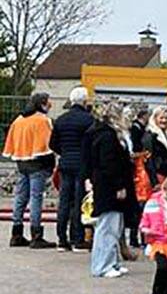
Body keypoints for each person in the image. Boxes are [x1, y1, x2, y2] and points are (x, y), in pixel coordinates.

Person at [85, 99, 134, 278]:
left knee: (115, 226)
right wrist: (119, 185)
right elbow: (109, 164)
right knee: (107, 227)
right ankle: (102, 266)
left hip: (107, 185)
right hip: (109, 187)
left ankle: (112, 262)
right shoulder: (108, 137)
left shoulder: (103, 134)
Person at [4, 92, 57, 249]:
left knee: (20, 197)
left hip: (22, 163)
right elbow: (49, 145)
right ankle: (36, 234)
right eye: (48, 102)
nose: (50, 105)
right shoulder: (42, 121)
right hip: (38, 165)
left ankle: (16, 233)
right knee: (36, 198)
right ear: (42, 104)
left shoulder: (18, 120)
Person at [49, 87, 94, 251]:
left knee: (64, 202)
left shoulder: (61, 120)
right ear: (84, 101)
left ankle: (61, 239)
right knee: (79, 202)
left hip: (65, 163)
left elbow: (52, 144)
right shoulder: (88, 120)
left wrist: (65, 152)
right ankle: (77, 239)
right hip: (82, 164)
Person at [125, 108, 150, 250]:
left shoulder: (135, 129)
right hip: (139, 172)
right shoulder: (137, 130)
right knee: (140, 205)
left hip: (138, 170)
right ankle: (137, 237)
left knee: (139, 206)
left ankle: (137, 237)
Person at [142, 106, 167, 188]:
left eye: (166, 118)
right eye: (161, 118)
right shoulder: (150, 136)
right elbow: (149, 161)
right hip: (158, 176)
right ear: (155, 118)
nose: (164, 120)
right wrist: (154, 182)